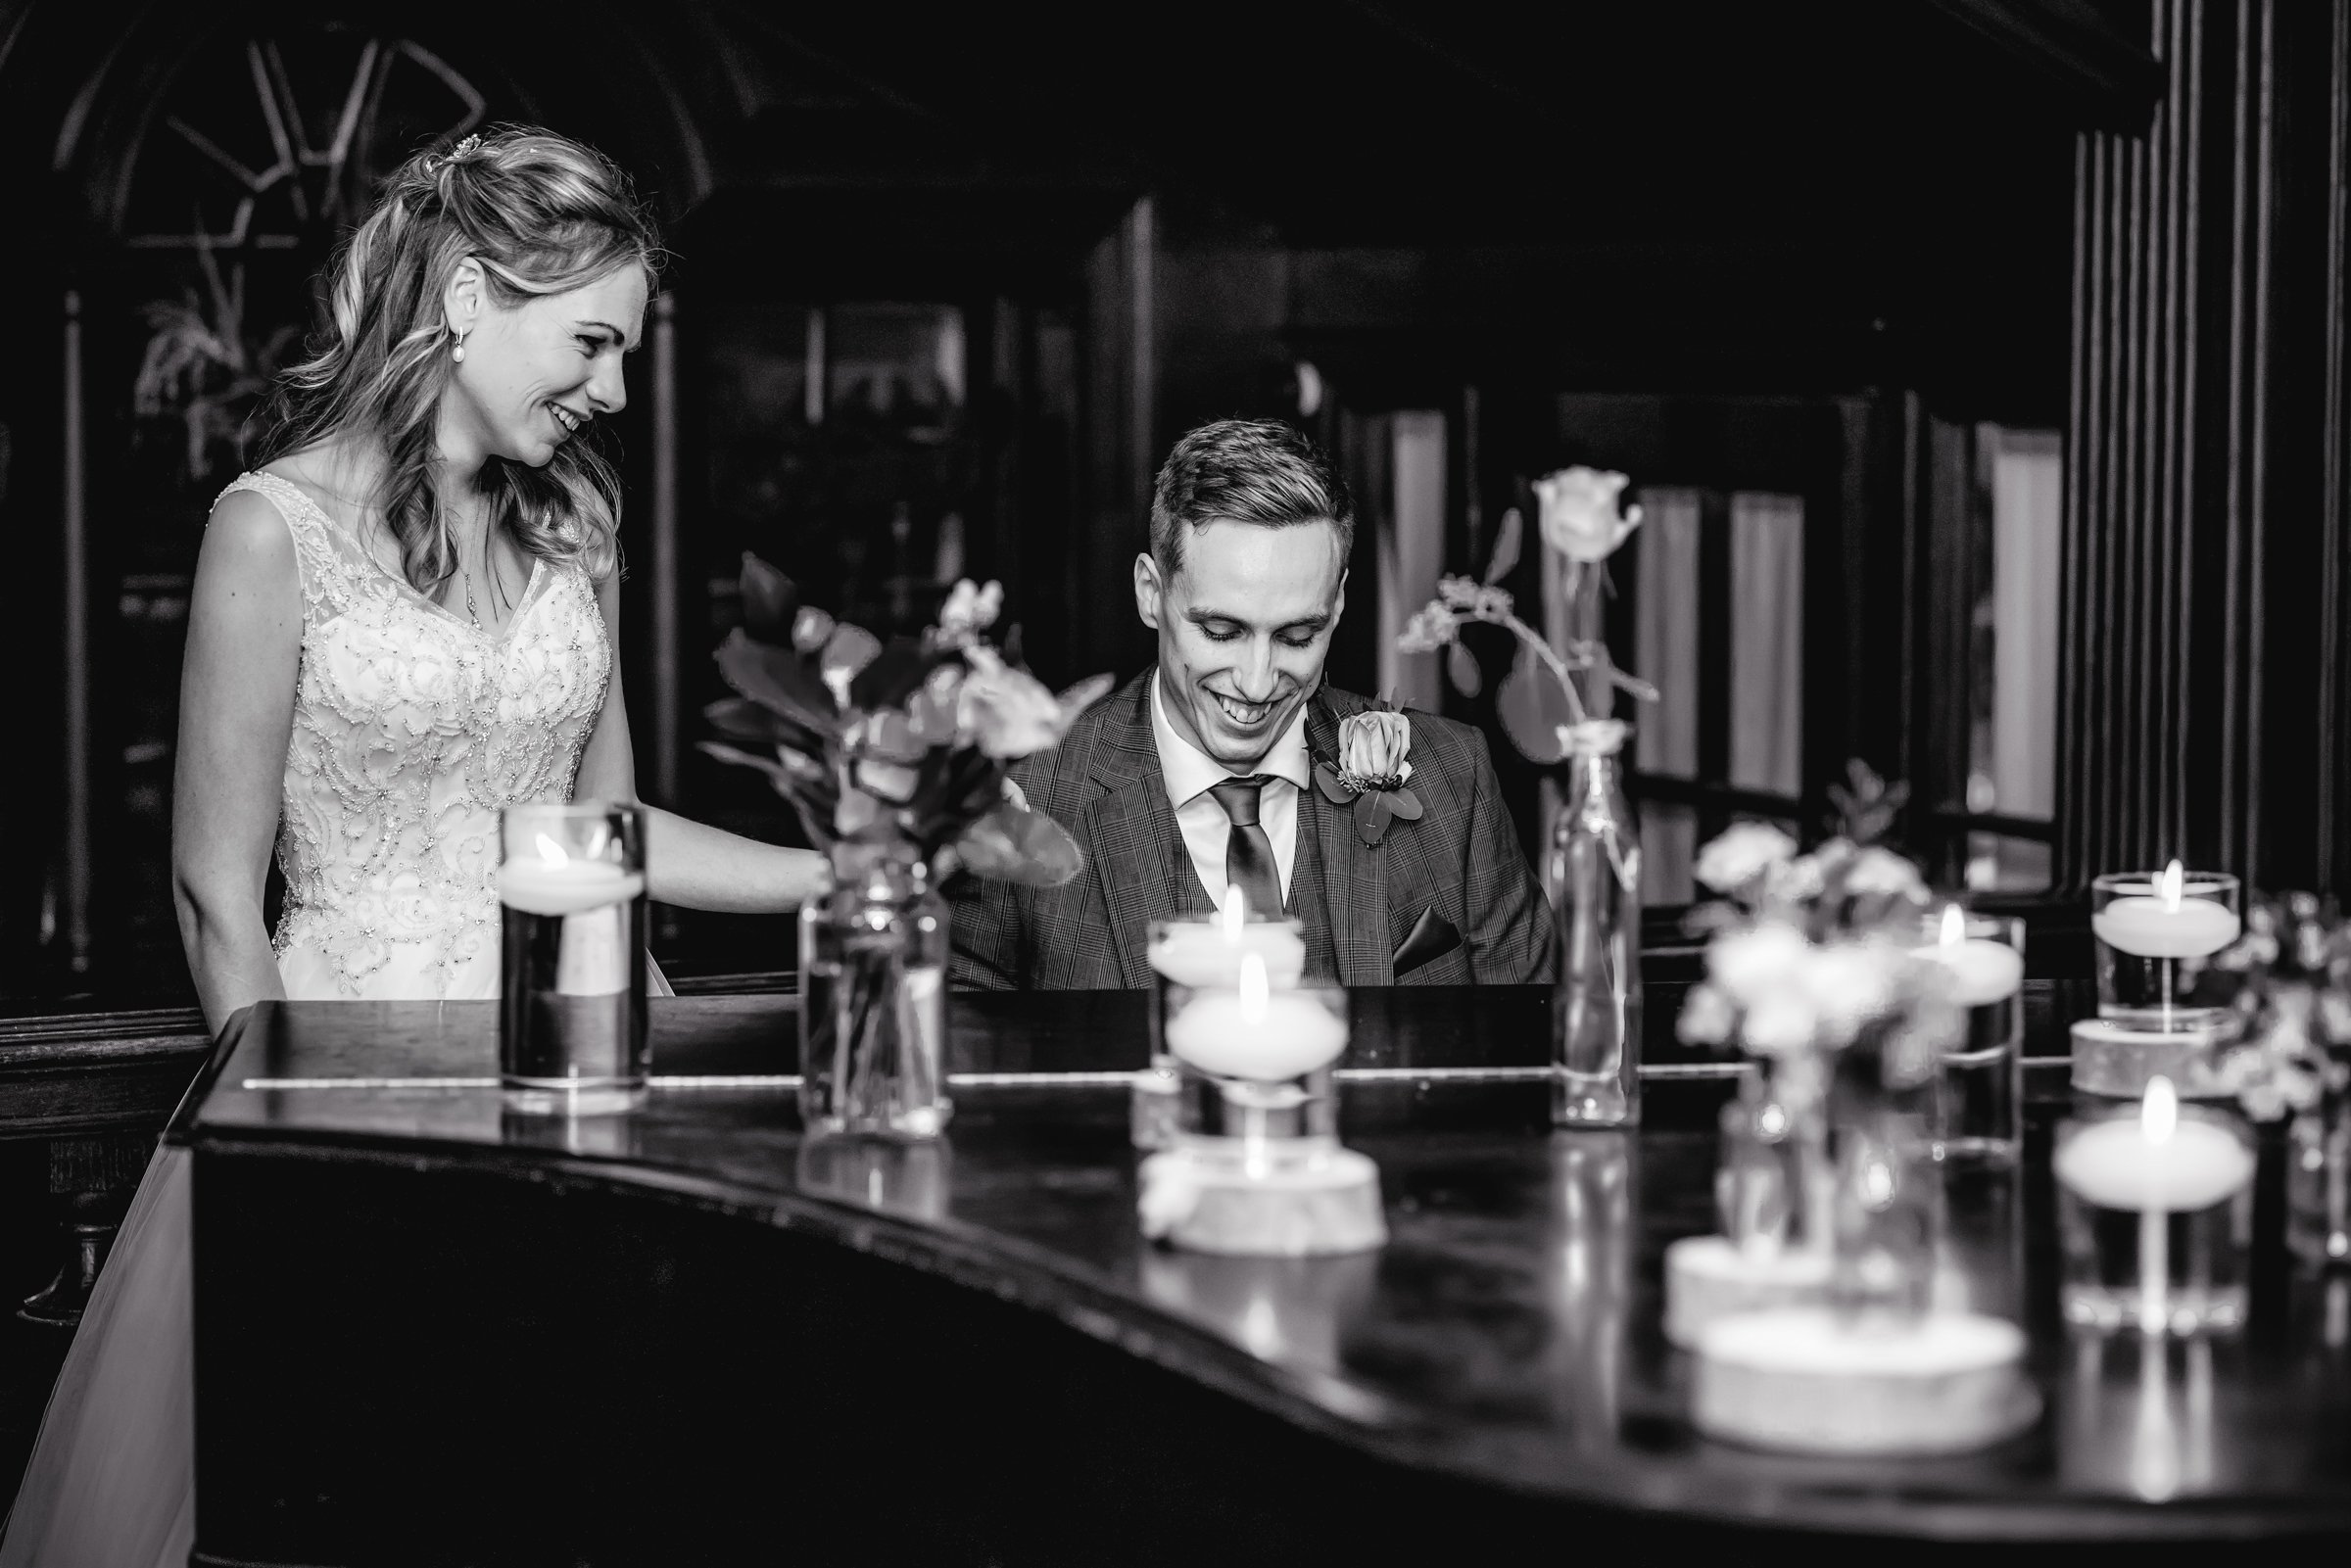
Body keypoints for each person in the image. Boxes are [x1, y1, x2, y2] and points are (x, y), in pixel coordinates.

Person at [2, 126, 822, 1567]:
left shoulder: (580, 526)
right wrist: (291, 1158)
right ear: (466, 301)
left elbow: (601, 837)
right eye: (590, 342)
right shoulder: (269, 531)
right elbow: (213, 890)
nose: (613, 390)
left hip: (572, 1069)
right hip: (343, 1073)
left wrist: (847, 871)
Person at [950, 418, 1553, 989]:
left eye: (1297, 637)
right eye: (1221, 632)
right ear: (1151, 594)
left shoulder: (1456, 777)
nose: (1258, 682)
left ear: (1337, 607)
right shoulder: (1021, 797)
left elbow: (1536, 1055)